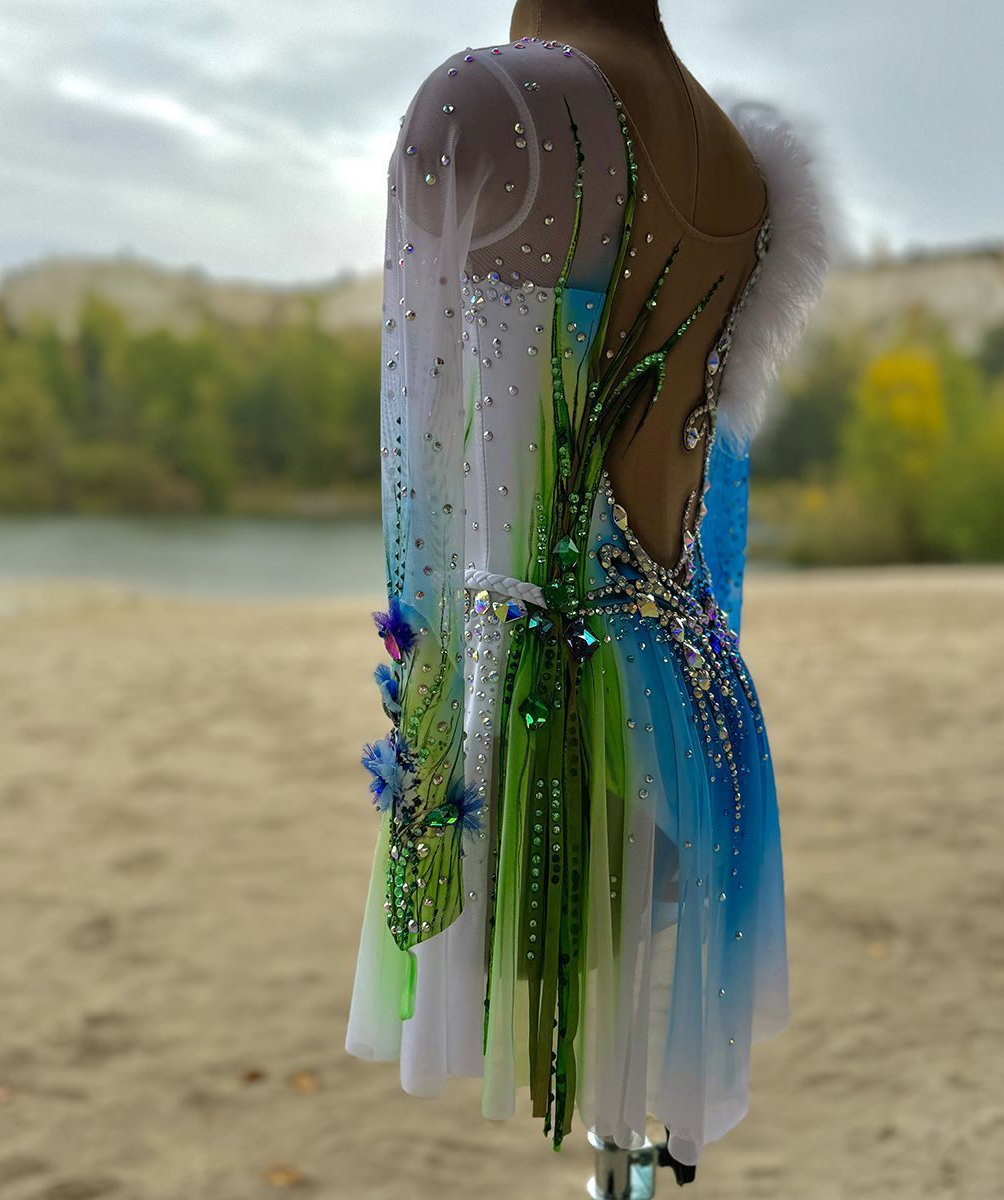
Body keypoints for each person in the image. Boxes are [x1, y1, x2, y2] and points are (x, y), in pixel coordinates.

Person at [347, 0, 831, 1175]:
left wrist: (428, 796)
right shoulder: (738, 155)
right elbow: (716, 505)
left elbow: (431, 490)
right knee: (628, 1113)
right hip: (701, 701)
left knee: (601, 1096)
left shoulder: (495, 102)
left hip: (545, 716)